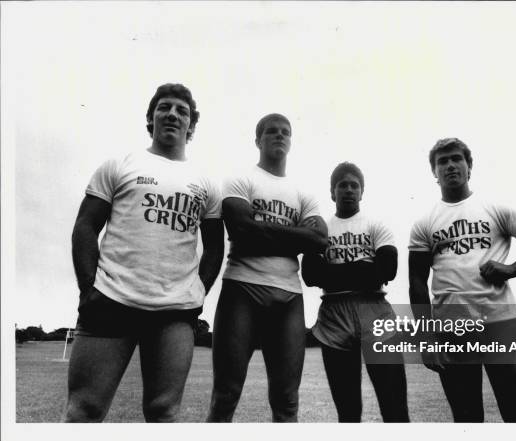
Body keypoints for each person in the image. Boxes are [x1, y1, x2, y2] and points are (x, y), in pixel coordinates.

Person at [65, 83, 225, 422]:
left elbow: (214, 247)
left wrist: (199, 292)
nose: (172, 114)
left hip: (174, 313)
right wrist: (88, 288)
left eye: (182, 111)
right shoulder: (119, 165)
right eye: (164, 107)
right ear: (150, 119)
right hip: (110, 301)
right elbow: (85, 226)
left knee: (163, 412)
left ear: (191, 126)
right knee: (84, 411)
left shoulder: (207, 184)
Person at [408, 137, 516, 422]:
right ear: (434, 172)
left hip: (502, 324)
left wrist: (512, 268)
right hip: (452, 330)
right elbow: (417, 282)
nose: (450, 165)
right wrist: (426, 340)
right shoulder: (424, 223)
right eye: (442, 161)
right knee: (467, 420)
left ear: (469, 166)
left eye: (457, 158)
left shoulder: (496, 208)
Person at [206, 113, 328, 422]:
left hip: (288, 296)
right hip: (242, 289)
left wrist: (262, 232)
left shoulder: (303, 193)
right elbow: (242, 232)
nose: (279, 135)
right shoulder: (241, 179)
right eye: (271, 131)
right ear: (258, 140)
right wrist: (300, 237)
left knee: (287, 401)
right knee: (225, 395)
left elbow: (320, 240)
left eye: (285, 132)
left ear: (291, 141)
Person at [302, 162, 409, 422]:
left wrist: (334, 273)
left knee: (394, 406)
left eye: (354, 185)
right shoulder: (320, 229)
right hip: (334, 315)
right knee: (348, 410)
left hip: (374, 310)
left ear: (362, 192)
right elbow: (311, 276)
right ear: (332, 192)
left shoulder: (376, 225)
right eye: (343, 185)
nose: (349, 190)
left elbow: (388, 270)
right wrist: (363, 268)